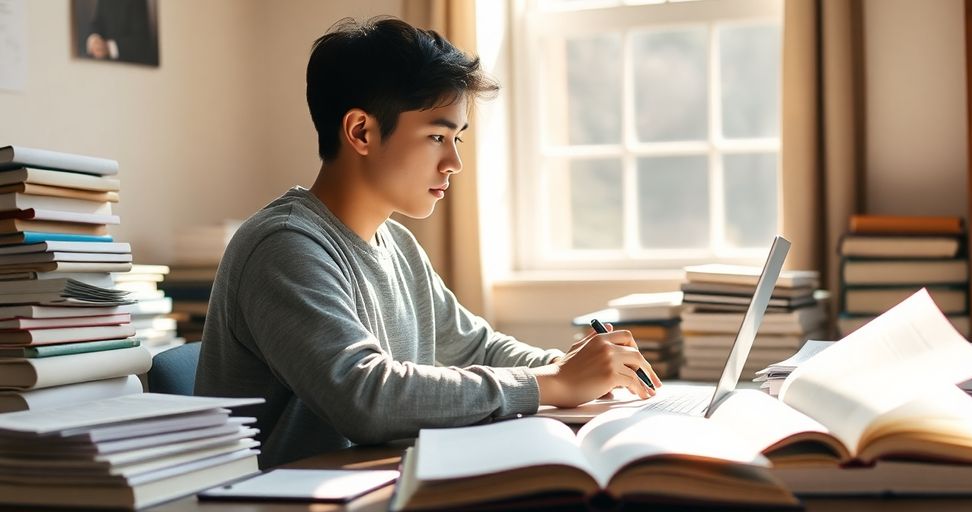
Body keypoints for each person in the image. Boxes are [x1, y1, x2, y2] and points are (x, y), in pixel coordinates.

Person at [194, 16, 661, 468]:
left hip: (379, 482)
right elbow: (366, 396)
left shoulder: (395, 242)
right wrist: (552, 382)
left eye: (457, 137)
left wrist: (573, 366)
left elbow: (475, 348)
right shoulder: (284, 246)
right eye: (437, 135)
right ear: (361, 131)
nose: (454, 161)